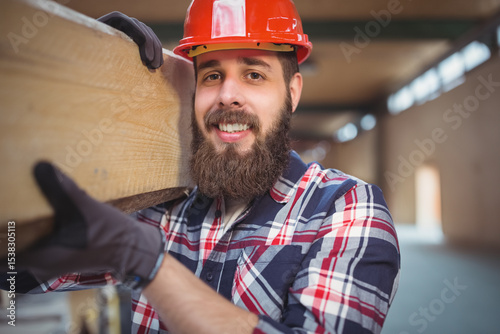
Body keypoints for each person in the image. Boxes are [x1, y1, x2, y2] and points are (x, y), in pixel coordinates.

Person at [1, 1, 400, 333]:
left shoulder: (347, 209)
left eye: (254, 74)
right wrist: (87, 86)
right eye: (212, 75)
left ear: (292, 93)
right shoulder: (162, 208)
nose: (228, 95)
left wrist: (150, 264)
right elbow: (15, 268)